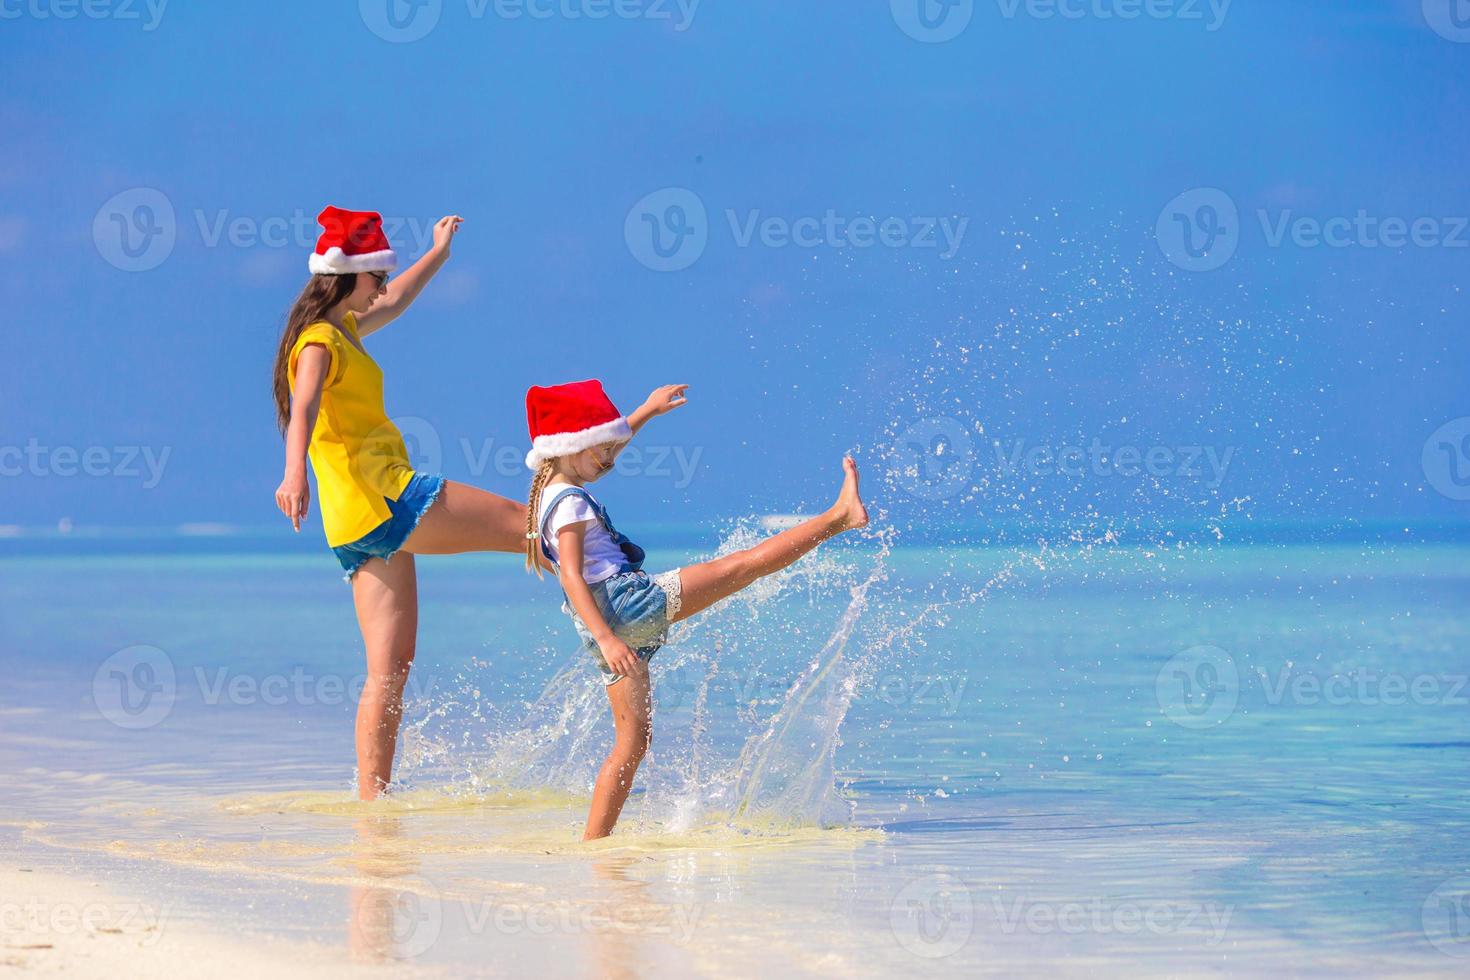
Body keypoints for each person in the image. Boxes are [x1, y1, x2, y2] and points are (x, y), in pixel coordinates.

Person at [523, 379, 869, 839]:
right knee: (743, 566)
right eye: (599, 452)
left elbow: (603, 442)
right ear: (569, 447)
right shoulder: (569, 505)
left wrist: (645, 411)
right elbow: (571, 575)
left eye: (611, 451)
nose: (607, 462)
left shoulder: (552, 489)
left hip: (602, 626)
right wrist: (609, 639)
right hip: (625, 607)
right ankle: (838, 518)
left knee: (631, 743)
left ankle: (593, 845)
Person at [271, 206, 528, 800]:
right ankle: (616, 609)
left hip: (352, 523)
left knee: (389, 671)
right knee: (529, 523)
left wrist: (437, 255)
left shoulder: (345, 330)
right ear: (347, 274)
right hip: (389, 495)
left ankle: (372, 806)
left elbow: (397, 301)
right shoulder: (319, 342)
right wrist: (292, 475)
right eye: (376, 277)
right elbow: (303, 405)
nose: (382, 287)